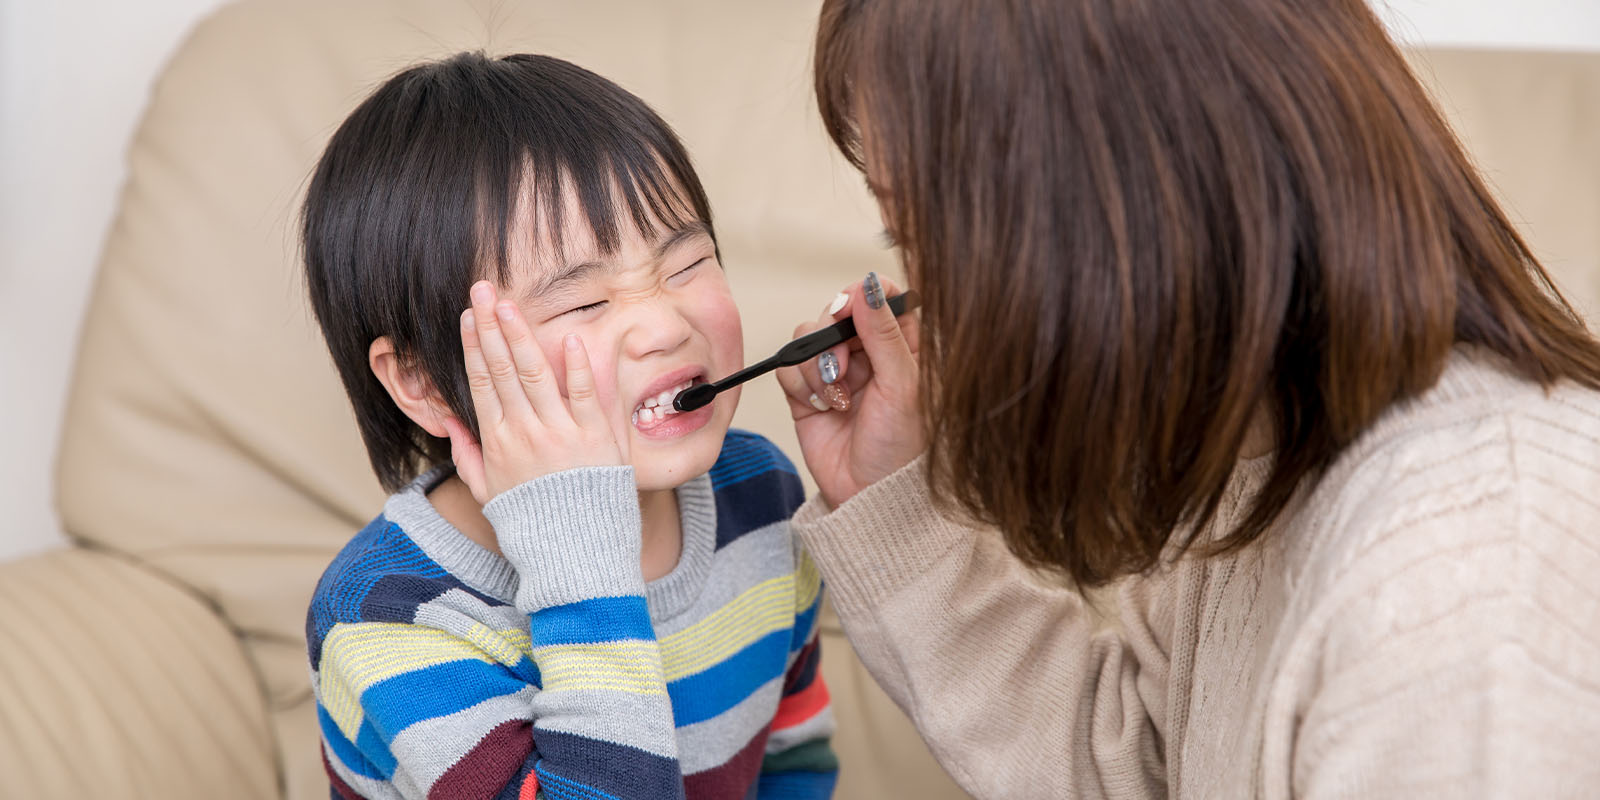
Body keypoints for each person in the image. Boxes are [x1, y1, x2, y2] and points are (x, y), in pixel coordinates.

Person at [776, 0, 1600, 797]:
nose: (940, 299)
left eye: (932, 237)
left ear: (1118, 206)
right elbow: (1138, 767)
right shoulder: (1256, 458)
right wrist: (896, 503)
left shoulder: (1466, 594)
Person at [300, 52, 836, 800]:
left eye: (687, 264)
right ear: (422, 380)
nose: (662, 325)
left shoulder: (762, 496)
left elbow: (794, 767)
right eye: (583, 304)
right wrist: (584, 565)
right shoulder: (392, 621)